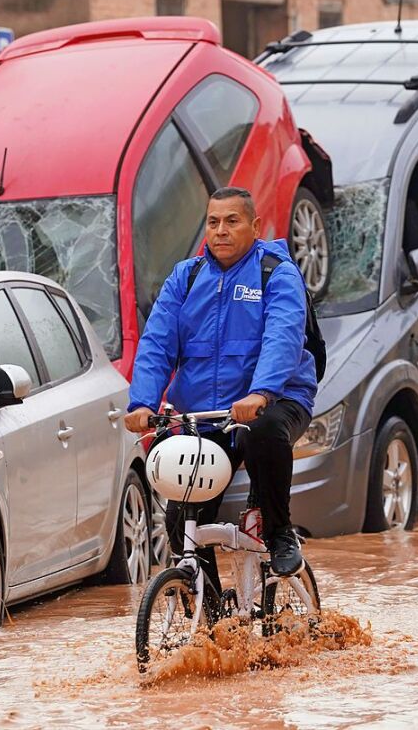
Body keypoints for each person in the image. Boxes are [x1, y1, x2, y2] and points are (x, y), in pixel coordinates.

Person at [124, 186, 317, 580]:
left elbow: (282, 336)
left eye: (232, 221)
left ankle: (281, 534)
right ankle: (213, 619)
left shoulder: (275, 272)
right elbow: (158, 342)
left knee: (263, 431)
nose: (221, 231)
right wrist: (142, 403)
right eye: (213, 222)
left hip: (275, 400)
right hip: (206, 415)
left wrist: (260, 393)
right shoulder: (186, 277)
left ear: (254, 226)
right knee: (182, 527)